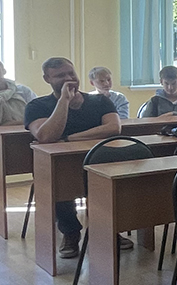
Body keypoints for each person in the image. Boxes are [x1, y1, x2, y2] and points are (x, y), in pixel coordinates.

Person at [26, 57, 122, 259]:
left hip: (99, 160)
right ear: (47, 79)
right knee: (58, 181)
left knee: (110, 183)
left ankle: (106, 229)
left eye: (71, 73)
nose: (68, 78)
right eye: (60, 75)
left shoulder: (99, 101)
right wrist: (63, 101)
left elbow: (114, 127)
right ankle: (70, 232)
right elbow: (46, 136)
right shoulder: (37, 105)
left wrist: (69, 138)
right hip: (61, 166)